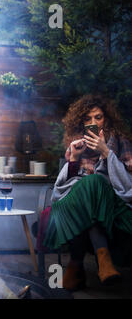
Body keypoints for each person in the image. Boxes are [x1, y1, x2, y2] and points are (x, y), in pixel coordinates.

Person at [41, 94, 132, 291]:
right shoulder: (76, 144)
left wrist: (106, 152)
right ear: (81, 122)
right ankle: (103, 260)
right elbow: (63, 188)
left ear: (106, 118)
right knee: (87, 188)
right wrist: (73, 158)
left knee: (94, 182)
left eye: (98, 117)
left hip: (110, 203)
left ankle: (75, 266)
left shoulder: (119, 141)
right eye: (87, 119)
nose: (93, 123)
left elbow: (127, 184)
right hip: (77, 202)